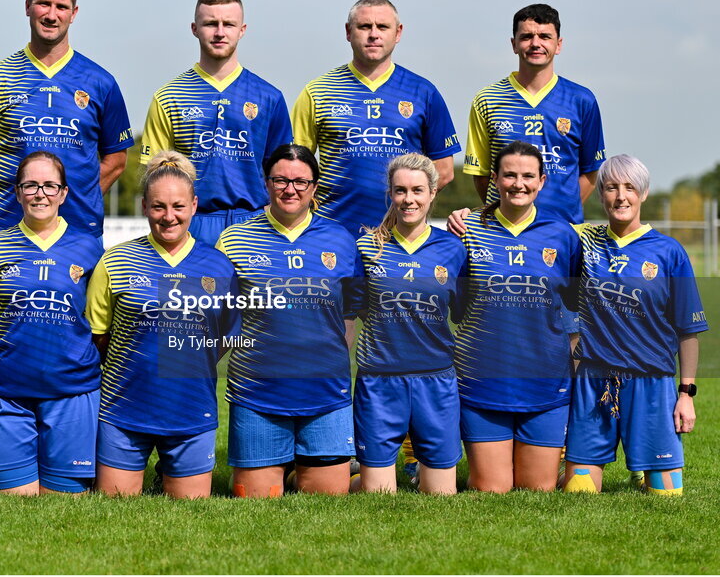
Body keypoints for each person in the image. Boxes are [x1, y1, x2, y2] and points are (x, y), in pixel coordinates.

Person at [87, 151, 238, 499]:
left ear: (194, 206)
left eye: (178, 206)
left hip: (190, 408)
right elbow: (98, 336)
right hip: (124, 408)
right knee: (114, 506)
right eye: (158, 207)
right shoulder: (116, 260)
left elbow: (226, 336)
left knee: (190, 510)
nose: (169, 217)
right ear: (144, 206)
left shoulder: (218, 265)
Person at [217, 144, 363, 497]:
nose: (290, 189)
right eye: (280, 180)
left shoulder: (340, 239)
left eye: (300, 182)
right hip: (257, 393)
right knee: (255, 497)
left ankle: (305, 469)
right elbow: (219, 318)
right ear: (267, 183)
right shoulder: (234, 239)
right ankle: (280, 468)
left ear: (314, 187)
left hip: (324, 393)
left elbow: (348, 316)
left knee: (329, 496)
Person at [562, 155, 707, 495]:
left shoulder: (669, 252)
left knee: (666, 495)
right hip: (594, 381)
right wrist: (471, 216)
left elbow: (688, 331)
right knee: (578, 492)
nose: (621, 196)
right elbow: (534, 220)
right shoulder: (584, 242)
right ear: (601, 194)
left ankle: (645, 468)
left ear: (643, 193)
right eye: (612, 187)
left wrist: (685, 395)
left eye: (630, 187)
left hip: (651, 381)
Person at [0, 151, 104, 495]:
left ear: (63, 193)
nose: (40, 194)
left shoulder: (89, 248)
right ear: (17, 193)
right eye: (30, 185)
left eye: (49, 185)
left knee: (62, 504)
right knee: (14, 503)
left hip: (71, 391)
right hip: (4, 392)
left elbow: (95, 323)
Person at [453, 141, 580, 493]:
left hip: (546, 383)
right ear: (494, 179)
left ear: (542, 181)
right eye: (509, 175)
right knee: (492, 489)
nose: (518, 184)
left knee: (537, 489)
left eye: (528, 176)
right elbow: (456, 307)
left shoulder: (563, 234)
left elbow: (573, 312)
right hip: (482, 383)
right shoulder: (466, 230)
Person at [0, 0, 133, 238]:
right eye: (44, 4)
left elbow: (116, 160)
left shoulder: (101, 82)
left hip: (79, 229)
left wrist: (79, 197)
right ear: (27, 6)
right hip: (9, 228)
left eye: (61, 7)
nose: (51, 15)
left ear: (74, 13)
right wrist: (12, 199)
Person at [292, 0, 459, 236]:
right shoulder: (318, 91)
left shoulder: (423, 92)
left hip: (399, 235)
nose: (373, 34)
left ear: (398, 33)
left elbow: (443, 170)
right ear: (348, 32)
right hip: (332, 232)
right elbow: (294, 169)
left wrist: (404, 208)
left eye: (382, 27)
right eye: (364, 26)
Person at [139, 0, 293, 243]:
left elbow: (284, 172)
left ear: (242, 30)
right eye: (211, 24)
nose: (220, 32)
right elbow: (154, 175)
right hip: (191, 224)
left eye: (228, 24)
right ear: (194, 28)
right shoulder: (169, 96)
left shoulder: (269, 97)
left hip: (255, 222)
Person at [353, 153, 466, 495]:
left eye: (417, 190)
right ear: (390, 193)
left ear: (432, 193)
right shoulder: (366, 247)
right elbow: (355, 311)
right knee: (378, 495)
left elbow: (463, 313)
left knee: (441, 495)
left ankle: (418, 468)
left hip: (436, 380)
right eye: (400, 190)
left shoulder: (454, 248)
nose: (408, 199)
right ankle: (338, 476)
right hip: (380, 380)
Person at [462, 3, 605, 225]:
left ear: (558, 44)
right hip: (503, 230)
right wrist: (508, 214)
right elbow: (481, 175)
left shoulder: (582, 100)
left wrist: (562, 216)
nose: (536, 43)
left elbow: (590, 172)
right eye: (527, 36)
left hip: (561, 230)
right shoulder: (487, 99)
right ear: (514, 44)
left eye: (545, 36)